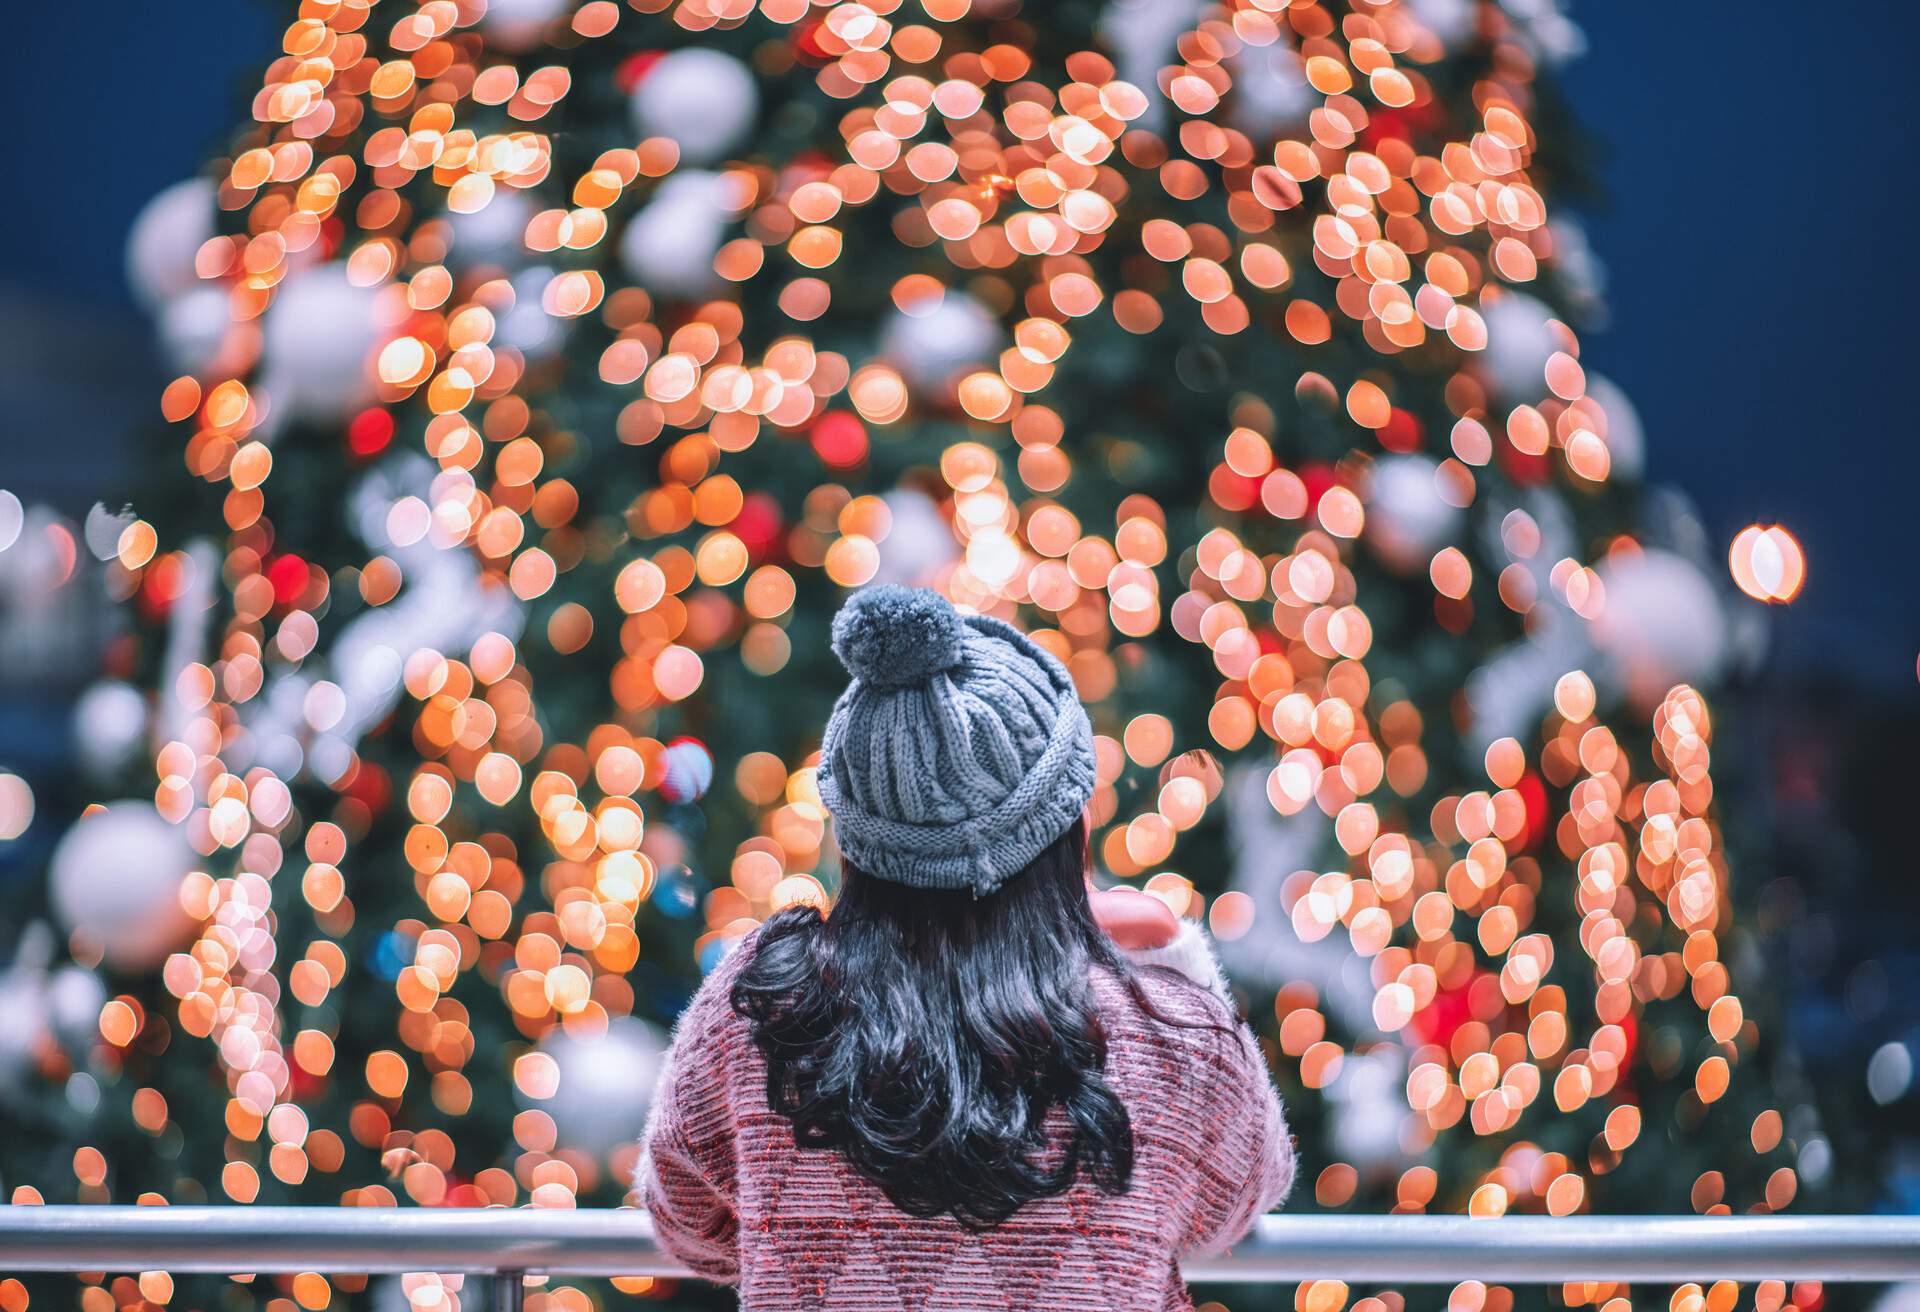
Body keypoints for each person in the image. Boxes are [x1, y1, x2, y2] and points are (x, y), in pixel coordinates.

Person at [637, 586, 1295, 1310]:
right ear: (1068, 823)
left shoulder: (761, 1008)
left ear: (854, 831)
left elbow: (686, 1223)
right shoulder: (1164, 1030)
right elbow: (1232, 1205)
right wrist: (1173, 962)